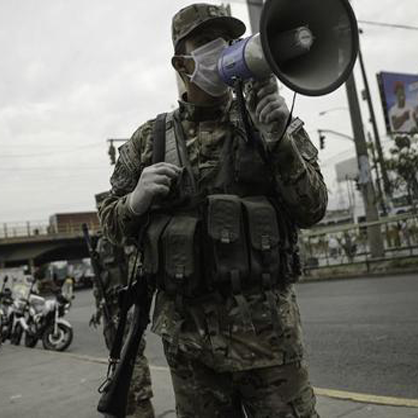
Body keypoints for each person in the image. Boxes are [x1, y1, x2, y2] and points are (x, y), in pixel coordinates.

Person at [98, 4, 328, 416]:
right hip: (192, 355)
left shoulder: (270, 121)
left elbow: (314, 208)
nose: (220, 50)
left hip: (271, 344)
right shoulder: (148, 140)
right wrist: (134, 202)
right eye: (205, 42)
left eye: (227, 40)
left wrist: (281, 146)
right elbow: (111, 226)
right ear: (182, 62)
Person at [92, 192, 155, 418]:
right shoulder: (100, 243)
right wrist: (98, 307)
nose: (101, 212)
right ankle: (123, 404)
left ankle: (141, 403)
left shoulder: (124, 238)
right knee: (116, 357)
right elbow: (98, 279)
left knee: (133, 357)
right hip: (109, 310)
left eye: (103, 207)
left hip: (125, 309)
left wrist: (129, 308)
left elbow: (134, 272)